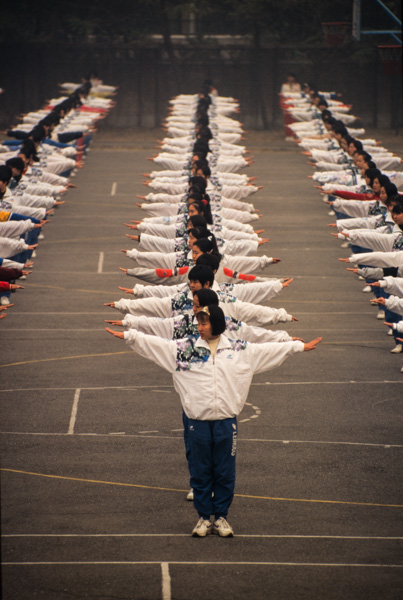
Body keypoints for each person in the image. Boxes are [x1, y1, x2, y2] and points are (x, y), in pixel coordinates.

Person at [105, 306, 322, 537]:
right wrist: (131, 336)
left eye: (204, 323)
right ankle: (203, 518)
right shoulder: (184, 350)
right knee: (200, 471)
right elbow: (158, 345)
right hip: (197, 422)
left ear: (216, 325)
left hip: (226, 423)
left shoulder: (239, 350)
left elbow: (266, 350)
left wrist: (298, 346)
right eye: (198, 323)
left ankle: (221, 518)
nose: (198, 328)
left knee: (225, 472)